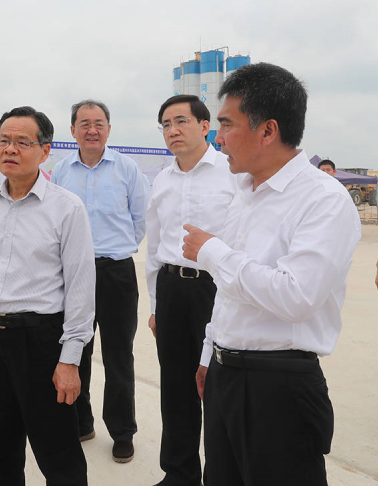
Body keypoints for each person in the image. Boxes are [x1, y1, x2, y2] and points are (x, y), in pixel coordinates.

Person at [182, 63, 361, 485]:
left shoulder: (324, 200)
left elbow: (296, 296)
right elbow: (229, 293)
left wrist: (213, 252)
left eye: (227, 124)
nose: (217, 138)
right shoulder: (244, 192)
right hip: (225, 375)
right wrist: (210, 353)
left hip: (279, 386)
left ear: (268, 131)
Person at [0, 106, 96, 485]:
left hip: (40, 342)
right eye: (3, 140)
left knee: (58, 450)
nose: (10, 149)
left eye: (22, 142)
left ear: (45, 151)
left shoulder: (67, 208)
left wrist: (70, 360)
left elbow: (81, 289)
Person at [50, 99, 150, 463]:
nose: (92, 130)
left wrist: (115, 249)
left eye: (99, 123)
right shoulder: (61, 171)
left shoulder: (127, 168)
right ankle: (81, 422)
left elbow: (141, 219)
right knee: (75, 349)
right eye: (84, 123)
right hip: (73, 273)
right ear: (72, 130)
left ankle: (122, 431)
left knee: (118, 354)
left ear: (108, 129)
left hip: (116, 272)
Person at [146, 95, 237, 486]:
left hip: (215, 289)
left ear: (205, 126)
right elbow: (154, 245)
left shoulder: (231, 173)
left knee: (215, 384)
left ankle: (221, 475)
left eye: (181, 121)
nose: (173, 130)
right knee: (174, 386)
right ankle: (179, 474)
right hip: (171, 290)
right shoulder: (162, 180)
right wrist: (155, 304)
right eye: (166, 124)